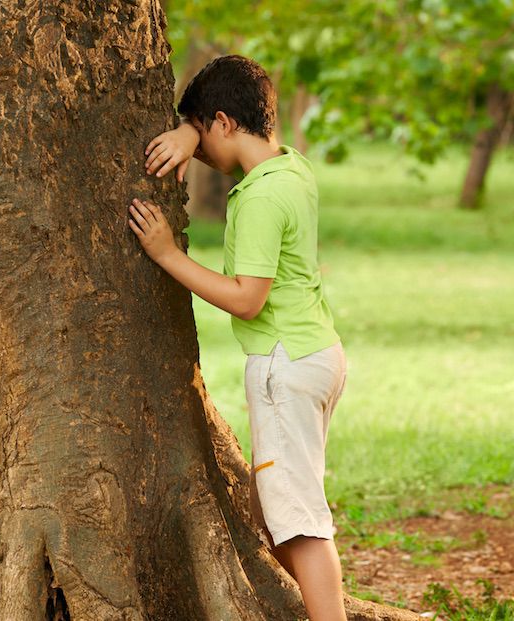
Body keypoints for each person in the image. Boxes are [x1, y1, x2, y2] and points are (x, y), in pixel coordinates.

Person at [127, 55, 348, 621]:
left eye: (200, 139)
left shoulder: (258, 199)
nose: (198, 156)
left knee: (299, 523)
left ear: (223, 121)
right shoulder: (291, 168)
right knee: (271, 510)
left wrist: (166, 255)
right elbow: (220, 131)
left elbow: (248, 298)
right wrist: (186, 127)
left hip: (283, 365)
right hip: (316, 354)